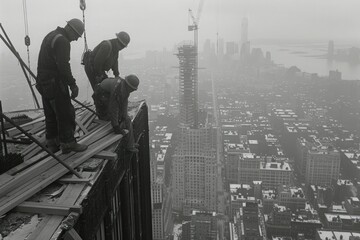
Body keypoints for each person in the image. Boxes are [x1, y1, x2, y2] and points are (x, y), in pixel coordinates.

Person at [36, 18, 88, 154]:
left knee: (51, 114)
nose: (76, 39)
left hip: (43, 82)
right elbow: (63, 65)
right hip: (54, 82)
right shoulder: (62, 41)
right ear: (70, 29)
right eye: (76, 35)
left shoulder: (51, 35)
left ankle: (52, 144)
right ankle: (68, 143)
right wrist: (72, 84)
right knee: (65, 113)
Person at [92, 75, 139, 153]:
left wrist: (124, 115)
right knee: (105, 119)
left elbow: (124, 102)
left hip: (107, 93)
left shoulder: (125, 88)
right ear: (128, 85)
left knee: (126, 119)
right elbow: (113, 109)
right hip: (101, 95)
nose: (133, 91)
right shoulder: (118, 90)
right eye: (132, 89)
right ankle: (129, 145)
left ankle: (131, 144)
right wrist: (116, 126)